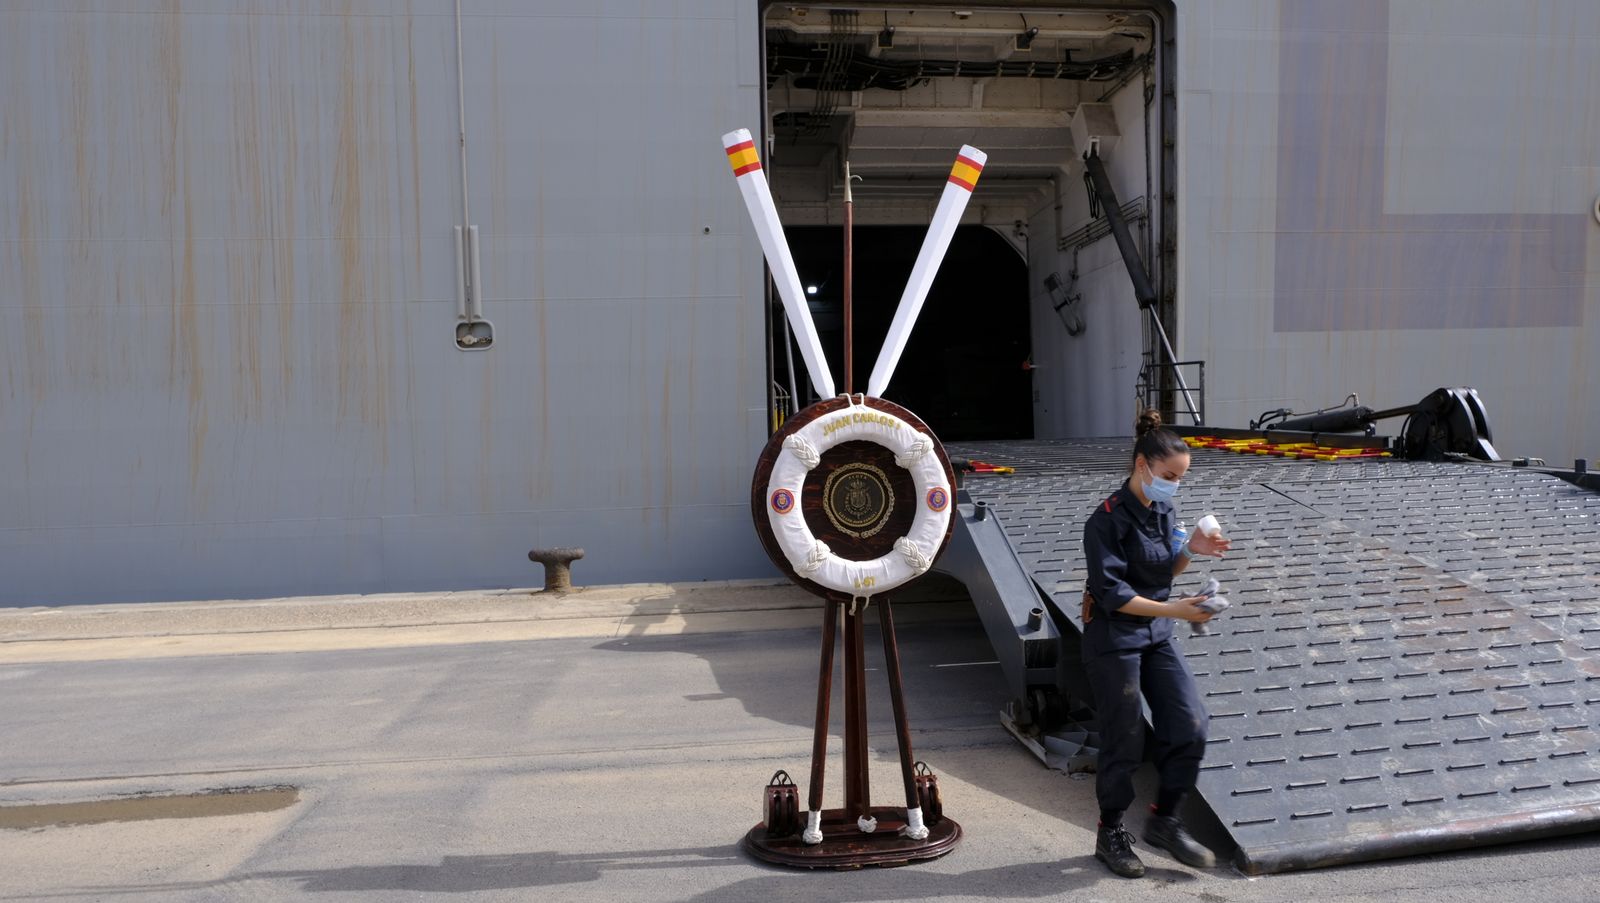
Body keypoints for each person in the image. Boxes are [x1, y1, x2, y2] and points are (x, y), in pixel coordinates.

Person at [1080, 409, 1231, 878]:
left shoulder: (1163, 508)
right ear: (1142, 466)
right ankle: (1111, 832)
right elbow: (1115, 595)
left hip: (1157, 634)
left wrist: (1191, 552)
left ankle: (1165, 821)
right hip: (1115, 636)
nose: (1174, 487)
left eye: (1180, 479)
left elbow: (1164, 570)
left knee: (1191, 723)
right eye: (1169, 476)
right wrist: (1177, 610)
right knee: (1124, 739)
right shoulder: (1104, 522)